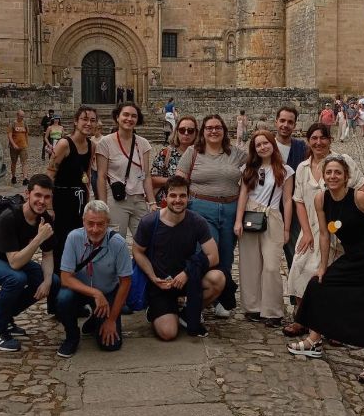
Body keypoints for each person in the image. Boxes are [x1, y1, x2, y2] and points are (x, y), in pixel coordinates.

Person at [287, 155, 364, 385]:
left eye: (338, 172)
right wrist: (323, 266)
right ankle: (314, 339)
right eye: (329, 173)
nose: (333, 176)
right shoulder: (321, 199)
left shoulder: (359, 197)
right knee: (318, 285)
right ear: (324, 176)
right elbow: (325, 235)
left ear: (346, 176)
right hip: (352, 258)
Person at [285, 123, 364, 339]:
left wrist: (347, 217)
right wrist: (306, 232)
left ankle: (333, 327)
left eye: (323, 138)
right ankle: (302, 318)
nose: (318, 142)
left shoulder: (342, 161)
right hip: (311, 227)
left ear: (330, 140)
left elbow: (362, 188)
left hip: (338, 228)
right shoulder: (303, 168)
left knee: (333, 278)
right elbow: (299, 201)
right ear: (308, 141)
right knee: (301, 267)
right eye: (314, 138)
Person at [0, 174, 59, 352]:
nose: (41, 201)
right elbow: (15, 263)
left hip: (7, 257)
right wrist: (38, 238)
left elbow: (48, 254)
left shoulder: (44, 218)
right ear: (28, 194)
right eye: (37, 195)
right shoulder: (9, 217)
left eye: (46, 197)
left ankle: (2, 317)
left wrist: (46, 282)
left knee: (52, 280)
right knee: (16, 278)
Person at [133, 176, 225, 340]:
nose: (178, 200)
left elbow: (214, 256)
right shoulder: (149, 222)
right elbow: (137, 251)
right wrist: (153, 277)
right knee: (168, 334)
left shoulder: (197, 222)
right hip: (161, 284)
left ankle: (187, 312)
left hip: (187, 280)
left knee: (218, 278)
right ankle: (156, 310)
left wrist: (187, 273)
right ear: (165, 197)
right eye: (173, 195)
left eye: (182, 196)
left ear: (188, 197)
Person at [176, 113, 246, 318]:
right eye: (209, 128)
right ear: (203, 132)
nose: (213, 131)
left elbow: (258, 163)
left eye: (218, 127)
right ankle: (196, 296)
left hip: (230, 209)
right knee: (205, 254)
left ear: (224, 131)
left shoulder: (236, 153)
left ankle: (220, 298)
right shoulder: (193, 152)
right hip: (200, 209)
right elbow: (179, 180)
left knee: (226, 254)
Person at [53, 200, 132, 357]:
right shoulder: (73, 238)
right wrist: (96, 293)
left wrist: (111, 320)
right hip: (80, 291)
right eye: (90, 224)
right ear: (83, 222)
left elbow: (126, 282)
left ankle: (98, 319)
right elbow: (65, 278)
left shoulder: (119, 244)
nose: (95, 229)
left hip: (108, 291)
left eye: (100, 224)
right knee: (63, 298)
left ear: (108, 223)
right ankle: (72, 336)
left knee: (110, 345)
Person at [234, 131, 294, 327]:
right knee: (250, 264)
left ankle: (273, 310)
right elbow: (243, 194)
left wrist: (286, 229)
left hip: (272, 216)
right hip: (250, 215)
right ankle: (253, 307)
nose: (262, 147)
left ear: (272, 144)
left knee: (271, 266)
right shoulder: (248, 169)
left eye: (265, 143)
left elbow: (287, 200)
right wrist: (238, 221)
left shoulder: (285, 170)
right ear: (254, 149)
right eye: (258, 145)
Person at [96, 102, 157, 238]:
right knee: (115, 241)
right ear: (117, 117)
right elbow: (101, 176)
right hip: (117, 200)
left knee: (146, 241)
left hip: (139, 200)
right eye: (126, 115)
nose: (129, 119)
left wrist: (152, 202)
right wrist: (102, 206)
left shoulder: (143, 143)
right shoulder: (105, 142)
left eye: (134, 116)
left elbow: (146, 175)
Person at [47, 106, 96, 270]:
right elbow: (50, 174)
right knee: (61, 241)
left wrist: (88, 203)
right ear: (76, 121)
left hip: (80, 201)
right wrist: (49, 206)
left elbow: (87, 176)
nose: (88, 123)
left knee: (79, 241)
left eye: (92, 120)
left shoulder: (91, 146)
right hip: (62, 200)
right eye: (84, 119)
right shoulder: (64, 144)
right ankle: (58, 281)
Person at [273, 105, 308, 268]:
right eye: (282, 121)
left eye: (290, 122)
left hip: (294, 211)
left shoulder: (301, 148)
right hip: (268, 210)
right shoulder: (264, 145)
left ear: (294, 125)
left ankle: (298, 294)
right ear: (276, 122)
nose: (285, 125)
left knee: (296, 258)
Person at [150, 115, 197, 205]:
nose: (186, 133)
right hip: (169, 204)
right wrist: (176, 181)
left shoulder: (201, 154)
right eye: (182, 130)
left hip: (195, 204)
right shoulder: (166, 153)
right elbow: (153, 179)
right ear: (177, 132)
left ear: (196, 133)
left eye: (190, 131)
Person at [7, 110, 29, 185]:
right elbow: (9, 136)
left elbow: (26, 134)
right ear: (17, 115)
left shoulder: (25, 123)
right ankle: (13, 176)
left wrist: (26, 143)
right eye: (21, 116)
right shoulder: (12, 124)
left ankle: (25, 178)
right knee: (14, 162)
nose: (22, 117)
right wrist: (13, 144)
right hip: (14, 147)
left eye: (23, 116)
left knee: (24, 162)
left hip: (23, 146)